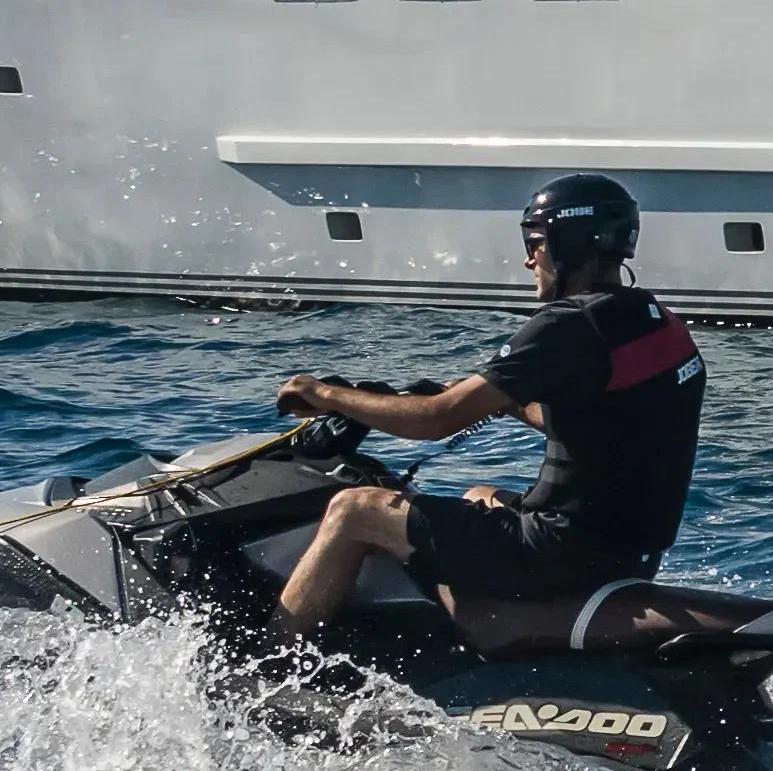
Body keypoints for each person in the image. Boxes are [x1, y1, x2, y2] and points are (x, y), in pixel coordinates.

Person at [270, 177, 709, 629]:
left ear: (571, 241)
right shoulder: (655, 320)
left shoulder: (567, 326)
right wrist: (508, 403)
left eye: (535, 242)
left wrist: (320, 393)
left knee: (354, 510)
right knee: (479, 495)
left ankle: (267, 671)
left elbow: (435, 421)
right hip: (628, 552)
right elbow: (607, 421)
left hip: (561, 553)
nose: (528, 258)